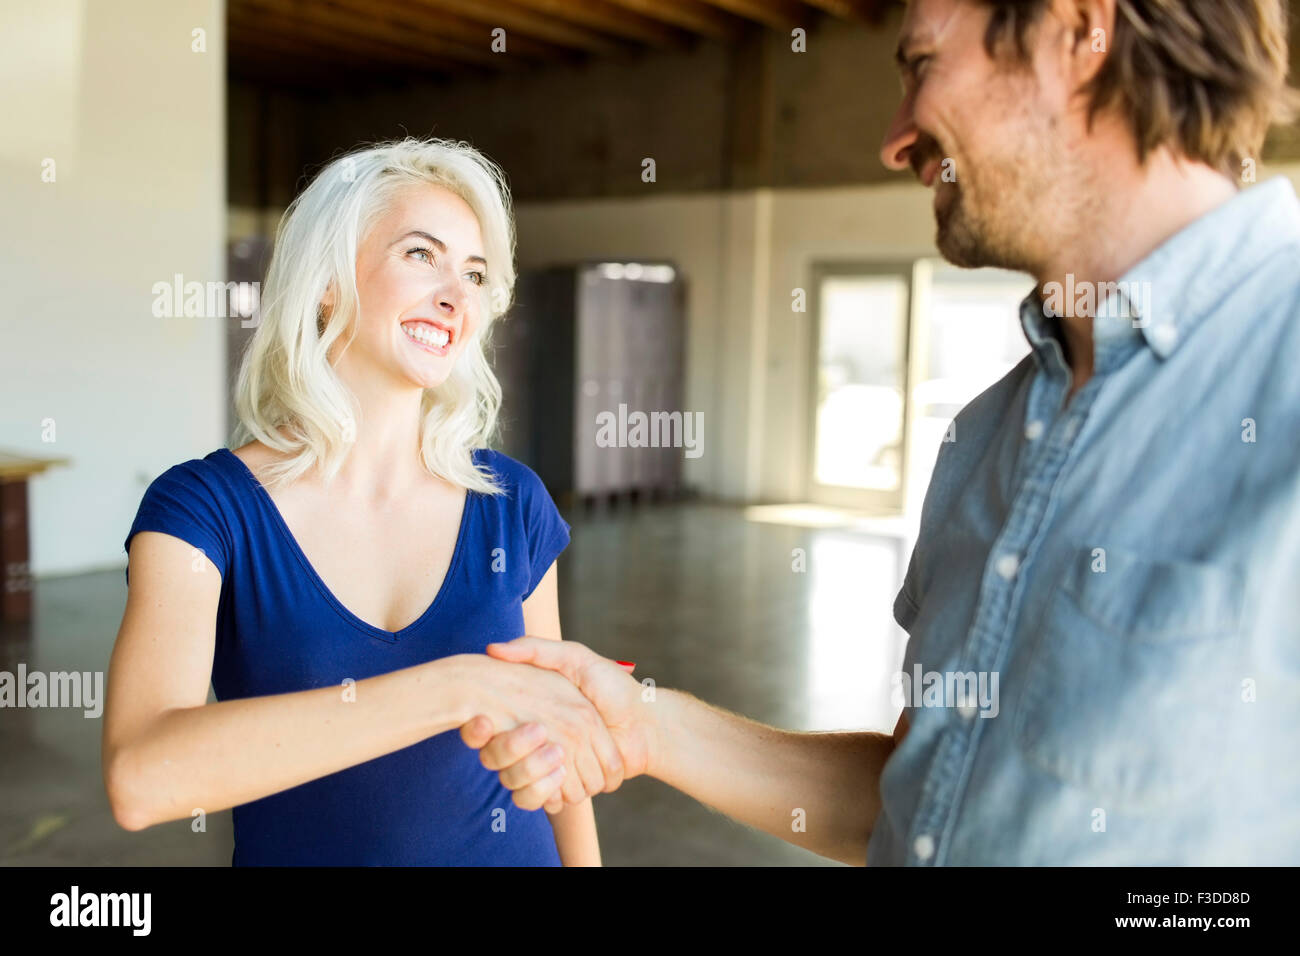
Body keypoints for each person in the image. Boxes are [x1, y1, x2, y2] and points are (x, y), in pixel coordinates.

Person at [463, 0, 1300, 865]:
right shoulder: (988, 436)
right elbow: (919, 797)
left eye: (922, 66)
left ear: (1076, 32)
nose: (895, 141)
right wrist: (642, 726)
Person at [104, 137, 624, 866]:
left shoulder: (512, 504)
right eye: (422, 255)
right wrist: (455, 686)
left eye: (474, 274)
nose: (456, 294)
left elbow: (552, 754)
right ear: (325, 281)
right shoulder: (205, 512)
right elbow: (141, 779)